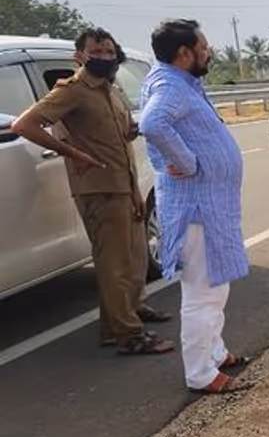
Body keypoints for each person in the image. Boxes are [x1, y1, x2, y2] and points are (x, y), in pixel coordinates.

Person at [11, 28, 174, 356]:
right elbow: (24, 125)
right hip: (99, 189)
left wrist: (136, 188)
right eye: (96, 52)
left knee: (135, 256)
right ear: (80, 56)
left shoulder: (111, 90)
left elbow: (124, 138)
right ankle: (126, 334)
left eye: (109, 52)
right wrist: (72, 153)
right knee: (114, 264)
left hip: (124, 184)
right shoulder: (72, 91)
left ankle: (130, 310)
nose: (104, 57)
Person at [139, 20, 252, 394]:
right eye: (203, 47)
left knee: (215, 286)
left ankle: (214, 353)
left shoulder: (183, 82)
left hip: (209, 205)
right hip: (196, 207)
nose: (209, 52)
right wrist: (186, 162)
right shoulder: (170, 85)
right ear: (184, 53)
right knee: (203, 293)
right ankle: (201, 373)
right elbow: (153, 124)